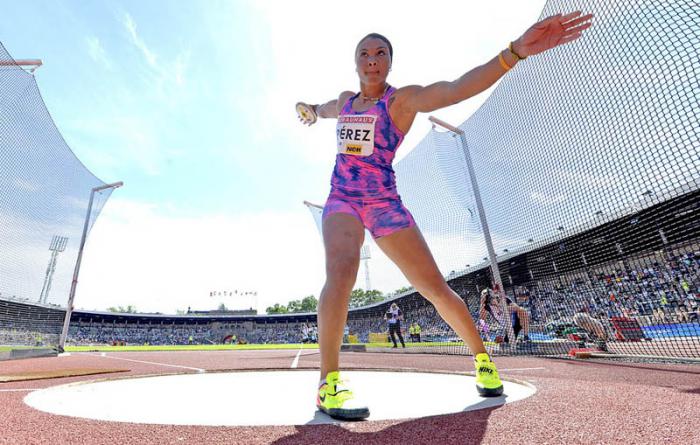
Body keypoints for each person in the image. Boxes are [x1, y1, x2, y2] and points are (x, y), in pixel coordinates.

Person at [297, 12, 593, 420]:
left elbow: (455, 89)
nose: (371, 59)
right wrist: (310, 110)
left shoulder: (402, 100)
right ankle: (328, 384)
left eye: (380, 53)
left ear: (389, 62)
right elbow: (323, 109)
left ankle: (483, 359)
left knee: (434, 287)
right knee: (343, 268)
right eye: (364, 53)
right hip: (342, 199)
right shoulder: (346, 101)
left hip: (384, 203)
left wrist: (514, 53)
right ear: (355, 62)